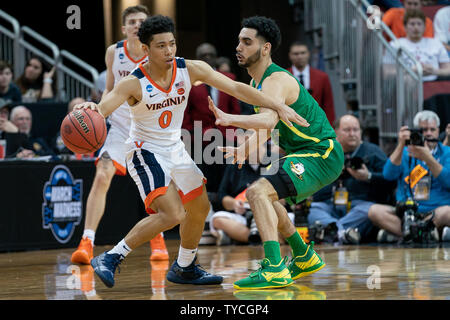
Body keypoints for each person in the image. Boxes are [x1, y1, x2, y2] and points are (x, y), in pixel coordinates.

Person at [74, 15, 305, 288]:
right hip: (144, 150)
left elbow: (235, 87)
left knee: (200, 207)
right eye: (161, 46)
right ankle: (112, 257)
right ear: (146, 50)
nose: (169, 51)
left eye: (172, 44)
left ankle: (185, 266)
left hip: (175, 149)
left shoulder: (190, 69)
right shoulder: (133, 82)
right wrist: (92, 110)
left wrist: (277, 105)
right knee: (172, 214)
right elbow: (104, 107)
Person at [209, 16, 344, 290]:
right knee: (267, 198)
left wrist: (229, 119)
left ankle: (273, 267)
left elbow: (268, 122)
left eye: (247, 42)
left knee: (257, 192)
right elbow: (264, 131)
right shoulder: (260, 87)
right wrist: (242, 150)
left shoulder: (276, 80)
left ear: (266, 48)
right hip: (308, 153)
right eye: (238, 41)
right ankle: (304, 256)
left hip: (321, 153)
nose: (239, 47)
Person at [70, 5, 170, 265]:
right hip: (120, 128)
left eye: (142, 21)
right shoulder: (113, 52)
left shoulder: (157, 54)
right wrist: (98, 113)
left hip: (149, 129)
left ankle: (157, 240)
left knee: (154, 188)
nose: (137, 25)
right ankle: (86, 242)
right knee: (102, 175)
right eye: (132, 21)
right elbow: (110, 90)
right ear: (124, 28)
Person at [306, 115, 394, 245]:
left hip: (359, 206)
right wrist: (332, 176)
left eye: (356, 130)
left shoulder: (373, 151)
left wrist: (368, 176)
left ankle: (332, 231)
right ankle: (343, 233)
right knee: (312, 209)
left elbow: (390, 180)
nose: (352, 134)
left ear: (361, 132)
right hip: (330, 205)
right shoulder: (326, 153)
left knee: (368, 211)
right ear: (335, 132)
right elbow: (315, 193)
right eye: (347, 130)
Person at [368, 110, 450, 243]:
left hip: (436, 212)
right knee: (374, 211)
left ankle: (403, 234)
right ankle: (428, 234)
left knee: (448, 212)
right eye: (423, 130)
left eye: (432, 129)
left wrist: (428, 158)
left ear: (438, 131)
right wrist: (401, 144)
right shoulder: (405, 153)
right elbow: (388, 175)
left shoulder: (447, 152)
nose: (428, 133)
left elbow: (448, 181)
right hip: (407, 212)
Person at [182, 43, 241, 193]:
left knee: (227, 179)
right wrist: (191, 137)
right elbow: (185, 114)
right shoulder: (188, 83)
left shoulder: (228, 78)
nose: (207, 58)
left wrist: (233, 134)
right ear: (197, 59)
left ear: (216, 58)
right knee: (204, 179)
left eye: (211, 55)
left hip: (226, 138)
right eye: (203, 56)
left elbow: (235, 110)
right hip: (200, 141)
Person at [384, 9, 450, 81]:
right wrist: (410, 71)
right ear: (405, 27)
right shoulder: (395, 45)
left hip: (432, 82)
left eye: (419, 24)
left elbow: (448, 69)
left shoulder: (436, 43)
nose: (416, 27)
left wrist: (434, 71)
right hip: (405, 84)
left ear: (424, 27)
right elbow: (386, 72)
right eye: (412, 24)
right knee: (408, 80)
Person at [287, 42, 335, 125]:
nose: (299, 56)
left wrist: (330, 132)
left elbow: (328, 106)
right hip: (290, 127)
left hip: (316, 126)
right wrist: (274, 137)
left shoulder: (322, 77)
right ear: (290, 55)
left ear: (308, 54)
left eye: (303, 53)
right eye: (295, 54)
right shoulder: (282, 76)